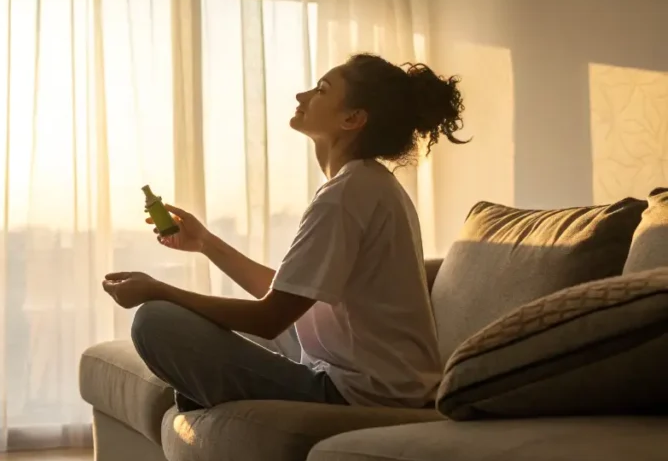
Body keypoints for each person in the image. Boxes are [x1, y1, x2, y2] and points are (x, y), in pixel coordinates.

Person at [101, 53, 468, 411]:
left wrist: (157, 289)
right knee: (203, 328)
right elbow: (285, 298)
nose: (302, 96)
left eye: (321, 90)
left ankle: (204, 397)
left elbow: (269, 318)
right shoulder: (368, 184)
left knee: (156, 321)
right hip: (375, 379)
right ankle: (204, 396)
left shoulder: (346, 196)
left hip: (361, 392)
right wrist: (205, 243)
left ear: (353, 118)